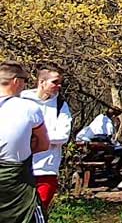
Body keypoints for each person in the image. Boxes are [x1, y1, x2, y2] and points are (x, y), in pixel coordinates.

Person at [0, 61, 49, 223]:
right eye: (25, 80)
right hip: (17, 185)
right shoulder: (28, 108)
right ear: (16, 81)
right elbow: (43, 144)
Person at [22, 64, 72, 215]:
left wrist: (35, 136)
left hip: (47, 169)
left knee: (39, 212)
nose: (59, 86)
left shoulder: (60, 105)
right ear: (41, 82)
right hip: (21, 168)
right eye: (54, 82)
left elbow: (63, 135)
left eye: (60, 82)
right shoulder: (22, 100)